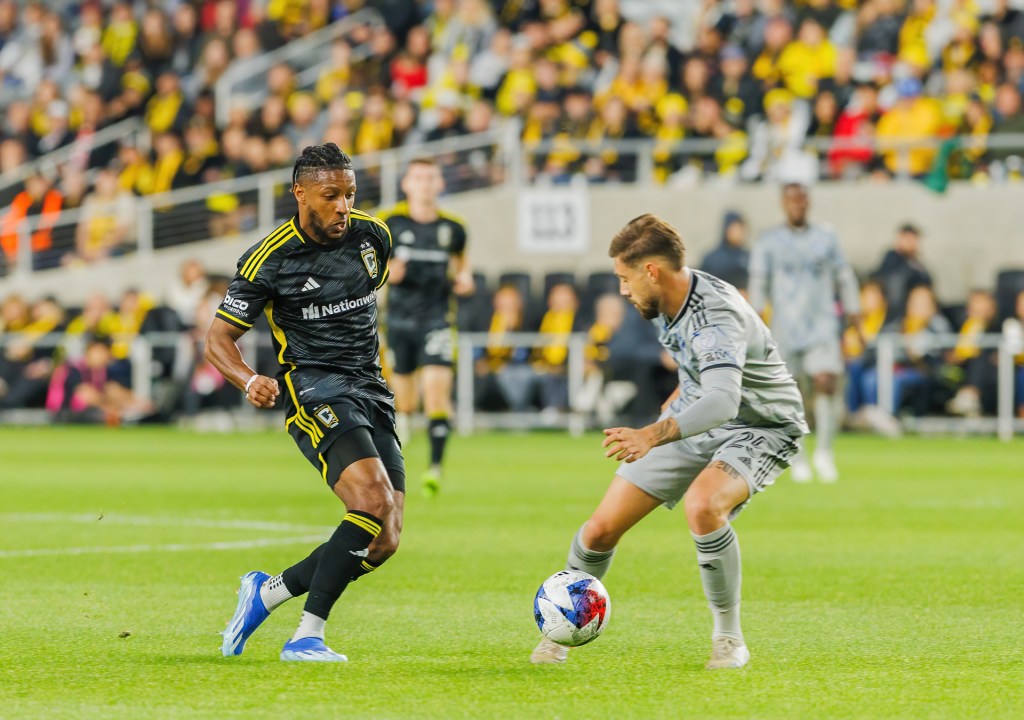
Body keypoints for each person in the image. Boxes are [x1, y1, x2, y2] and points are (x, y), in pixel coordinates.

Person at [531, 214, 808, 669]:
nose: (623, 290)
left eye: (625, 278)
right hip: (696, 414)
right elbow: (701, 371)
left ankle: (729, 639)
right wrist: (674, 405)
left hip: (761, 424)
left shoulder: (715, 315)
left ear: (651, 271)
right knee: (599, 530)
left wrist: (653, 433)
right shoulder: (667, 300)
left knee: (704, 505)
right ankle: (560, 630)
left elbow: (724, 400)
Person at [206, 143, 404, 663]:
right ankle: (306, 636)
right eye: (330, 195)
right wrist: (249, 379)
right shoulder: (270, 258)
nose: (344, 207)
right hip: (315, 387)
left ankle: (266, 594)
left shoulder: (374, 237)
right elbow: (218, 339)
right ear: (300, 193)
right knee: (372, 502)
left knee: (384, 539)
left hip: (371, 387)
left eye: (350, 194)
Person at [749, 183, 860, 483]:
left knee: (826, 380)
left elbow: (844, 275)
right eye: (791, 201)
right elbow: (759, 282)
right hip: (785, 327)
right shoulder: (768, 241)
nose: (797, 205)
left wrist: (854, 311)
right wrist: (756, 320)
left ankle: (824, 452)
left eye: (801, 200)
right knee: (791, 392)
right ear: (783, 204)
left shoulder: (826, 236)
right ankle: (798, 456)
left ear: (808, 203)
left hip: (822, 324)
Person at [379, 158, 474, 497]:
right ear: (406, 184)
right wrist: (388, 273)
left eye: (430, 177)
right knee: (405, 400)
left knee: (436, 392)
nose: (424, 184)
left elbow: (462, 267)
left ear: (440, 184)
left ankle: (434, 468)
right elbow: (369, 268)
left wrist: (465, 280)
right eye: (418, 177)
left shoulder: (454, 228)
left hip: (437, 318)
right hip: (399, 320)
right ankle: (402, 438)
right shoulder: (389, 223)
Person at [871, 223, 933, 319]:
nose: (912, 243)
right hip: (895, 314)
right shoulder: (892, 259)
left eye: (914, 239)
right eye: (908, 239)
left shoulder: (916, 263)